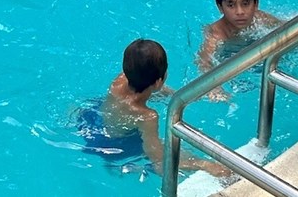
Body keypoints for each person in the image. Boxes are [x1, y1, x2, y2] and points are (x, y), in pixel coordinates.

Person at [83, 39, 228, 176]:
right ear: (159, 81)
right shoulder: (147, 116)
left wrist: (181, 96)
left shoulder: (120, 81)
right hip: (118, 147)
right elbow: (159, 163)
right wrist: (203, 164)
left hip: (92, 120)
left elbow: (151, 89)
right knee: (179, 151)